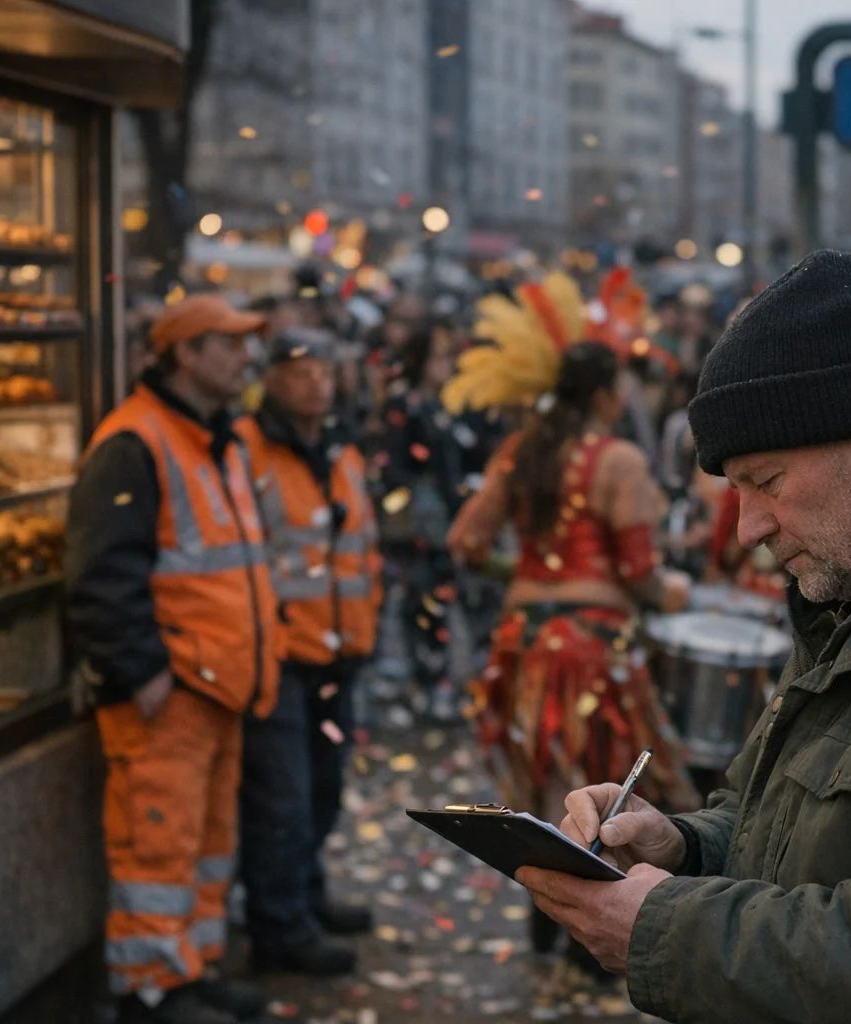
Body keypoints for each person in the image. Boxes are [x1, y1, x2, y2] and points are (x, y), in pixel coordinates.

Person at [516, 250, 851, 1023]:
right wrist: (682, 848)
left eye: (768, 481)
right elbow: (783, 828)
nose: (748, 527)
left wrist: (665, 928)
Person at [443, 272, 701, 957]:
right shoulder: (618, 460)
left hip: (522, 639)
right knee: (600, 791)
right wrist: (673, 593)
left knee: (542, 783)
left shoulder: (522, 450)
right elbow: (641, 574)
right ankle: (589, 933)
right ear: (606, 395)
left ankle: (543, 913)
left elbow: (465, 543)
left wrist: (526, 578)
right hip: (591, 645)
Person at [65, 296, 281, 1024]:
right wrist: (142, 672)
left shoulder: (215, 440)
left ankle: (193, 968)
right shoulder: (135, 442)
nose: (246, 357)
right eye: (230, 343)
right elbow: (101, 576)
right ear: (184, 353)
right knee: (157, 847)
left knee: (205, 845)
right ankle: (153, 990)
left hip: (216, 688)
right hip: (173, 693)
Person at [235, 327, 381, 975]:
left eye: (324, 370)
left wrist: (365, 631)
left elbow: (359, 552)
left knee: (323, 787)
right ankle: (279, 925)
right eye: (300, 371)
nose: (317, 383)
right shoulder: (244, 450)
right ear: (270, 380)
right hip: (279, 656)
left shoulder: (341, 452)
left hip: (337, 653)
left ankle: (304, 894)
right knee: (283, 799)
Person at [376, 323, 462, 717]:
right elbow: (392, 465)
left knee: (441, 600)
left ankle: (436, 680)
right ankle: (421, 682)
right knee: (419, 601)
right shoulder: (404, 404)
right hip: (417, 526)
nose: (447, 364)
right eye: (439, 356)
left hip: (444, 523)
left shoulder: (444, 406)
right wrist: (414, 503)